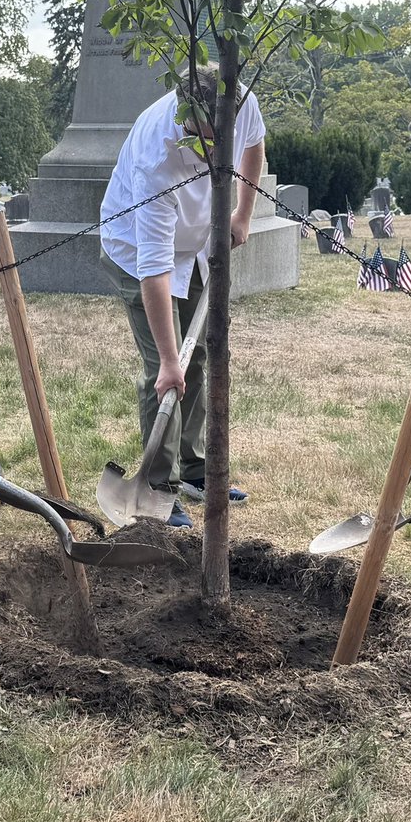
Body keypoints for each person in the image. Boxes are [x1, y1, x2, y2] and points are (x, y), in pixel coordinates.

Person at [100, 65, 265, 528]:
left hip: (194, 242)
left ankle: (195, 471)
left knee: (199, 357)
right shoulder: (157, 156)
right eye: (204, 140)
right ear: (184, 117)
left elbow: (254, 144)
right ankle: (157, 486)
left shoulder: (240, 102)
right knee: (166, 367)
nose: (214, 151)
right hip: (138, 251)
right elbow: (154, 269)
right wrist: (170, 362)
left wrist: (242, 214)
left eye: (220, 139)